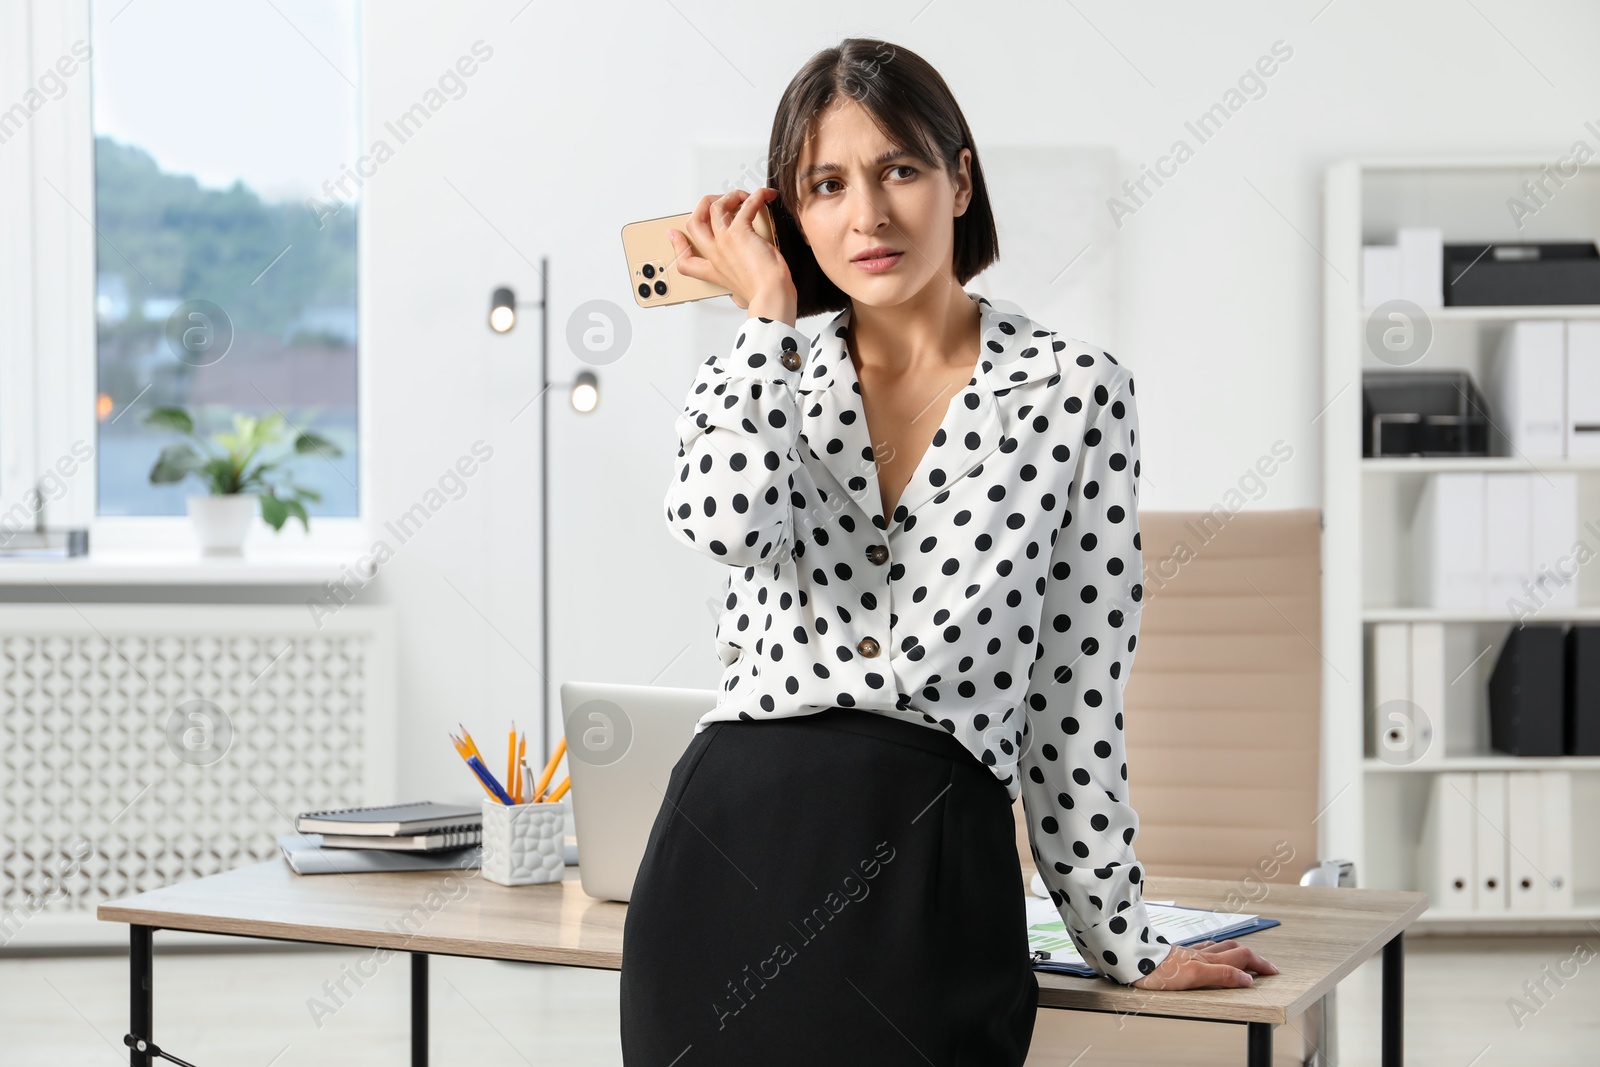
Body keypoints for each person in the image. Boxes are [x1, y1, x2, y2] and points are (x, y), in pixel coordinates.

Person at [620, 36, 1276, 1066]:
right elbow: (726, 525)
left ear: (959, 179)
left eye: (899, 170)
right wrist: (764, 318)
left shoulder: (1074, 391)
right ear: (791, 215)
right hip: (725, 859)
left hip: (934, 871)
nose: (866, 214)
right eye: (824, 184)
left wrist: (1124, 940)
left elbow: (1074, 695)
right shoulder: (757, 370)